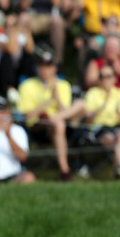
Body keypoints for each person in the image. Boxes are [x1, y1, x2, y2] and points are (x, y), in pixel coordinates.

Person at [17, 49, 86, 180]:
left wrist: (56, 97)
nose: (45, 70)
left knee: (80, 104)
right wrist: (48, 102)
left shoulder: (63, 85)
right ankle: (65, 170)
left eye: (48, 66)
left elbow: (65, 110)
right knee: (58, 123)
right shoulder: (27, 85)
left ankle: (55, 119)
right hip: (40, 127)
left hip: (63, 123)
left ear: (54, 68)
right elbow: (27, 116)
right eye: (42, 66)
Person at [0, 96, 36, 183]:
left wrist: (8, 135)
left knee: (29, 177)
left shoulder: (17, 130)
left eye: (1, 108)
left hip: (13, 175)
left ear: (7, 112)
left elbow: (22, 157)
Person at [83, 64, 120, 177]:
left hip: (116, 128)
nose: (105, 79)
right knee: (113, 139)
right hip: (99, 129)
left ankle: (118, 168)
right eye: (102, 76)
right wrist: (102, 106)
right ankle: (118, 167)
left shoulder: (118, 93)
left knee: (119, 136)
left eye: (108, 76)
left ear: (114, 78)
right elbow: (87, 120)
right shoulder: (93, 93)